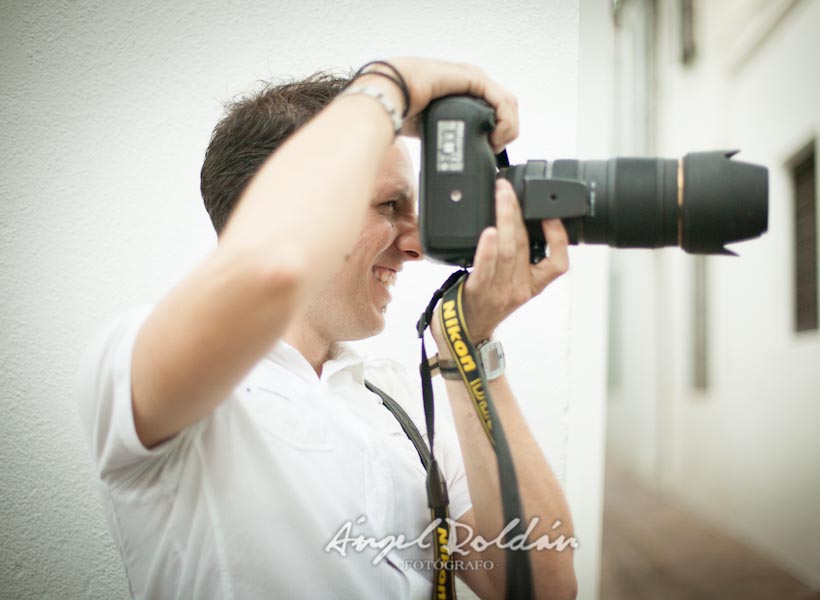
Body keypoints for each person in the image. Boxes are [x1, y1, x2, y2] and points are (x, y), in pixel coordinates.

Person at [76, 58, 577, 599]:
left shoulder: (403, 398)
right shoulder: (141, 370)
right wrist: (388, 85)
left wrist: (467, 345)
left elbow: (542, 587)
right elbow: (275, 265)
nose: (416, 245)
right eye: (390, 205)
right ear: (285, 206)